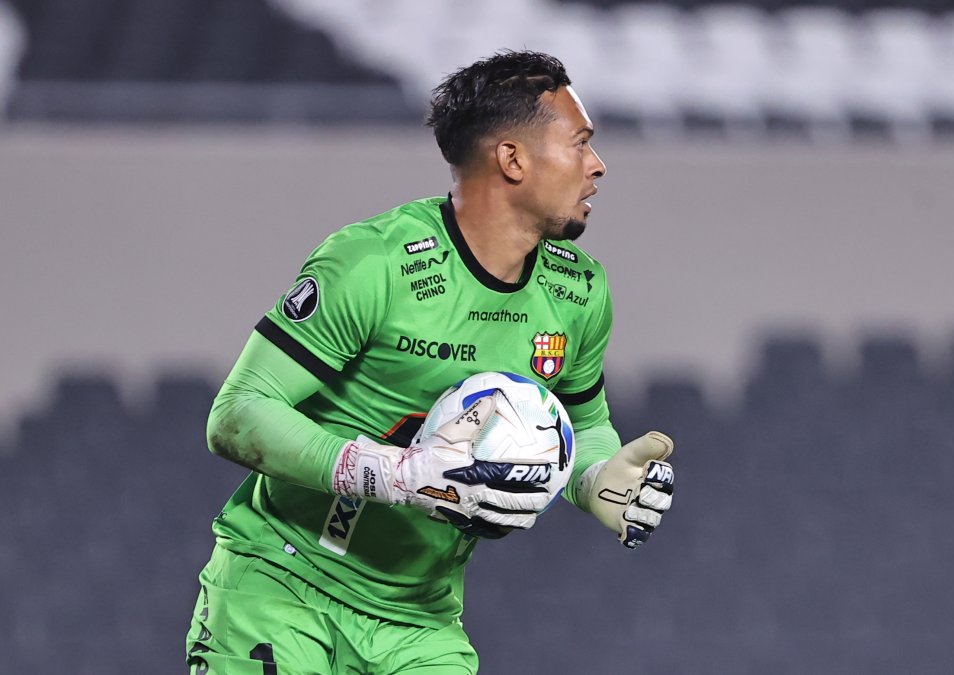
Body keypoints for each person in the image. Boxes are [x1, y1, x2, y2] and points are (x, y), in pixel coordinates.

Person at [185, 50, 677, 674]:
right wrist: (396, 474)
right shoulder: (374, 264)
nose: (598, 165)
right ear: (512, 159)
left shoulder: (580, 292)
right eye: (580, 143)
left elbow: (582, 421)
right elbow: (235, 415)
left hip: (421, 622)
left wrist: (594, 477)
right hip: (281, 585)